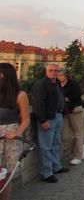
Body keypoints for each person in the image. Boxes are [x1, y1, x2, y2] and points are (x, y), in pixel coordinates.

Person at [32, 64, 69, 183]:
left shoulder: (56, 83)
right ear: (46, 71)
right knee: (46, 146)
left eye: (56, 71)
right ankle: (47, 173)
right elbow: (38, 103)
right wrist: (43, 120)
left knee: (56, 143)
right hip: (48, 118)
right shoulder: (41, 84)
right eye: (51, 70)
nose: (53, 73)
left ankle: (56, 166)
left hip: (57, 116)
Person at [0, 63, 30, 199]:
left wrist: (16, 133)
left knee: (7, 175)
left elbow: (26, 119)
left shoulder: (20, 95)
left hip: (10, 138)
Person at [57, 69, 84, 166]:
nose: (59, 77)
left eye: (61, 75)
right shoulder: (57, 85)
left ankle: (78, 155)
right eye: (59, 75)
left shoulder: (73, 84)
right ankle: (80, 148)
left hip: (75, 110)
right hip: (64, 112)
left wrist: (66, 99)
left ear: (66, 76)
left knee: (77, 133)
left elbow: (77, 96)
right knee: (65, 136)